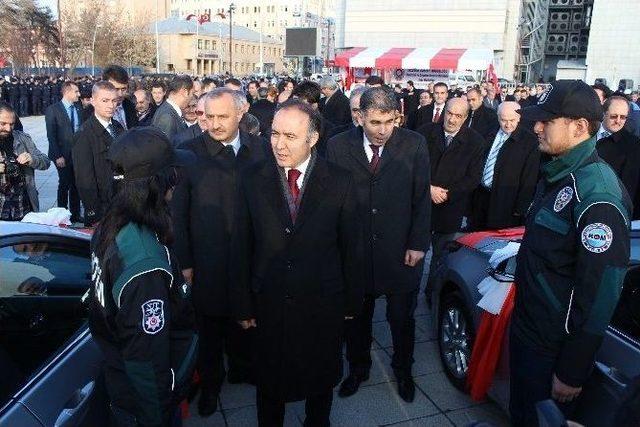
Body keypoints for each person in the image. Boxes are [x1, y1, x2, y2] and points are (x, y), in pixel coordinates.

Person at [230, 100, 364, 426]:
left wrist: (351, 301)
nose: (279, 144)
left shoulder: (341, 180)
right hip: (269, 302)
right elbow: (240, 246)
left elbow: (352, 248)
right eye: (275, 133)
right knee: (269, 386)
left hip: (322, 303)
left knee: (320, 383)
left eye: (290, 136)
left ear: (313, 137)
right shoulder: (250, 178)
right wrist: (242, 305)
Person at [510, 80, 631, 426]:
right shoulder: (558, 173)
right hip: (529, 331)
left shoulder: (597, 195)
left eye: (546, 121)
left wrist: (573, 369)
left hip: (553, 350)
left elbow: (600, 294)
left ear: (579, 127)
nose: (536, 127)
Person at [88, 126, 197, 426]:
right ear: (157, 184)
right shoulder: (145, 264)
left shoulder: (113, 224)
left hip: (121, 385)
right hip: (143, 404)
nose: (176, 180)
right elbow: (146, 361)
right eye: (171, 173)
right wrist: (156, 417)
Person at [327, 87, 430, 403]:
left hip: (400, 251)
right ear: (358, 117)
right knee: (356, 320)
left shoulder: (414, 144)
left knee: (402, 319)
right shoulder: (337, 146)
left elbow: (421, 197)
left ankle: (403, 370)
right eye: (375, 122)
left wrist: (417, 243)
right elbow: (332, 201)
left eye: (390, 120)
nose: (384, 129)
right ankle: (358, 369)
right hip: (355, 253)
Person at [171, 88, 268, 417]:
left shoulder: (261, 150)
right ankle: (211, 384)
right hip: (207, 260)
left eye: (221, 116)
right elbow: (177, 217)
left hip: (251, 257)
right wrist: (184, 262)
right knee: (209, 328)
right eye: (207, 116)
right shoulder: (187, 153)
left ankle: (244, 368)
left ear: (241, 114)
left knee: (247, 320)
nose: (213, 123)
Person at [421, 98, 485, 290]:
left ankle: (433, 293)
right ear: (443, 112)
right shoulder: (424, 133)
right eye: (449, 113)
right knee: (414, 251)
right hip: (422, 202)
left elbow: (473, 178)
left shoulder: (476, 142)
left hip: (450, 206)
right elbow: (411, 166)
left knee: (441, 256)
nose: (452, 119)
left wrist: (446, 194)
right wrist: (428, 188)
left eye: (458, 116)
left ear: (465, 117)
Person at [470, 101, 540, 230]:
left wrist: (521, 208)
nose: (508, 124)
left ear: (519, 118)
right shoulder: (488, 133)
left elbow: (529, 178)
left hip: (506, 202)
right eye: (503, 120)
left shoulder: (529, 142)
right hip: (480, 197)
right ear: (498, 117)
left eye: (512, 120)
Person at [73, 81, 124, 226]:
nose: (111, 105)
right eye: (105, 100)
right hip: (103, 210)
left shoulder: (118, 127)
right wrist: (94, 214)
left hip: (122, 203)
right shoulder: (84, 135)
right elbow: (84, 181)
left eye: (114, 100)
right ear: (93, 101)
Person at [0, 101, 50, 220]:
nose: (8, 128)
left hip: (23, 208)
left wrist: (31, 159)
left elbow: (46, 162)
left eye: (11, 124)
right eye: (3, 124)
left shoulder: (23, 139)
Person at [596, 95, 640, 219]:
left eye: (623, 117)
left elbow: (629, 185)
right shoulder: (587, 133)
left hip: (608, 208)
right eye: (614, 116)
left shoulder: (633, 145)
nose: (618, 121)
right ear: (604, 113)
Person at [45, 81, 83, 223]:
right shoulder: (53, 110)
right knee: (64, 184)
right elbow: (51, 135)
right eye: (76, 91)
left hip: (77, 154)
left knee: (76, 184)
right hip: (62, 154)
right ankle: (61, 214)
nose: (79, 94)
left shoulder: (78, 107)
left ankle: (75, 214)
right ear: (67, 92)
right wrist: (58, 156)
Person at [292, 81, 334, 157]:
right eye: (295, 102)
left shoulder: (329, 130)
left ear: (314, 105)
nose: (296, 108)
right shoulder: (289, 124)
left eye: (302, 105)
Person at [152, 75, 194, 142]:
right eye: (192, 93)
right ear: (185, 92)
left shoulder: (169, 111)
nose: (192, 97)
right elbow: (166, 148)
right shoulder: (167, 116)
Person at [102, 65, 138, 129]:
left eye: (123, 89)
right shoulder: (93, 112)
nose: (120, 94)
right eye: (116, 89)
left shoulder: (130, 106)